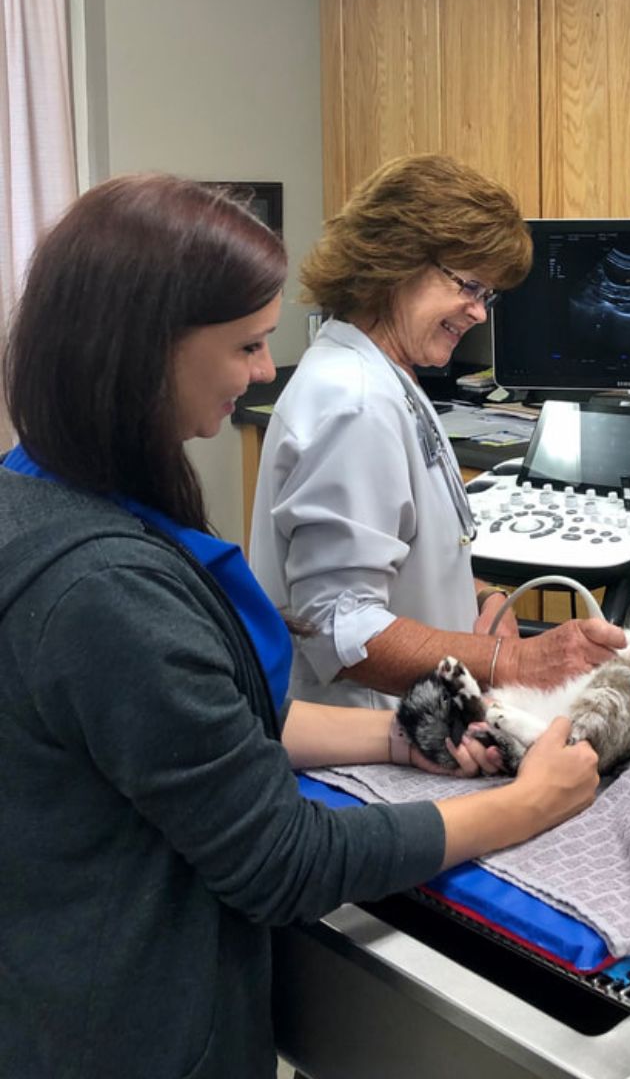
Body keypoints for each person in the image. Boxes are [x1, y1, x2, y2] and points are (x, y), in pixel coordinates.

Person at [0, 174, 599, 1079]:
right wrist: (524, 804)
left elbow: (201, 721)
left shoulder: (44, 493)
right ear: (138, 350)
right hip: (129, 1027)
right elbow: (279, 859)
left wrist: (408, 739)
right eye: (245, 344)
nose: (262, 374)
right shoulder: (104, 588)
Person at [249, 154, 625, 723]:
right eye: (469, 286)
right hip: (373, 751)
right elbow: (340, 630)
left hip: (422, 726)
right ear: (394, 260)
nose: (478, 312)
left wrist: (479, 598)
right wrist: (511, 662)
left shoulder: (383, 375)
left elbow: (396, 561)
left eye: (489, 295)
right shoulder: (357, 402)